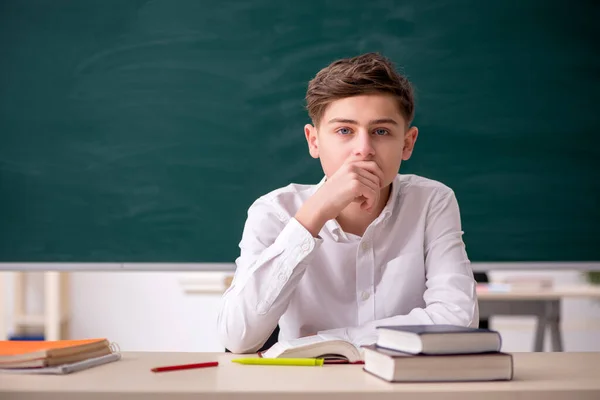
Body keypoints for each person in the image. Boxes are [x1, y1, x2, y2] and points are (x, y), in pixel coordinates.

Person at [217, 53, 478, 354]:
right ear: (313, 141)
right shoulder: (273, 211)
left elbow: (458, 321)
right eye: (344, 131)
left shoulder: (432, 201)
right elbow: (236, 338)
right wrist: (313, 215)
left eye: (381, 131)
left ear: (407, 143)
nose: (363, 149)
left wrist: (326, 341)